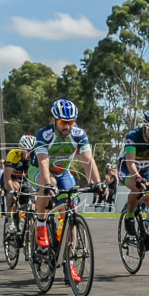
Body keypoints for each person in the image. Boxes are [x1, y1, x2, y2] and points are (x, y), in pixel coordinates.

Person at [30, 99, 103, 280]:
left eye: (71, 122)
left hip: (63, 172)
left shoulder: (79, 134)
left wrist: (97, 183)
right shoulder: (44, 134)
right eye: (63, 122)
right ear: (54, 120)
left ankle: (70, 262)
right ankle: (40, 225)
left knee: (71, 211)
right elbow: (44, 162)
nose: (67, 126)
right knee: (48, 184)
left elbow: (87, 159)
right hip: (39, 170)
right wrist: (47, 184)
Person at [3, 134, 37, 228]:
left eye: (32, 151)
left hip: (27, 180)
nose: (30, 154)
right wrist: (11, 190)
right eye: (27, 151)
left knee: (32, 205)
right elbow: (7, 176)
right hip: (13, 178)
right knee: (12, 191)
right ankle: (10, 218)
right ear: (21, 149)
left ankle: (30, 233)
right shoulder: (13, 154)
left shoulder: (36, 156)